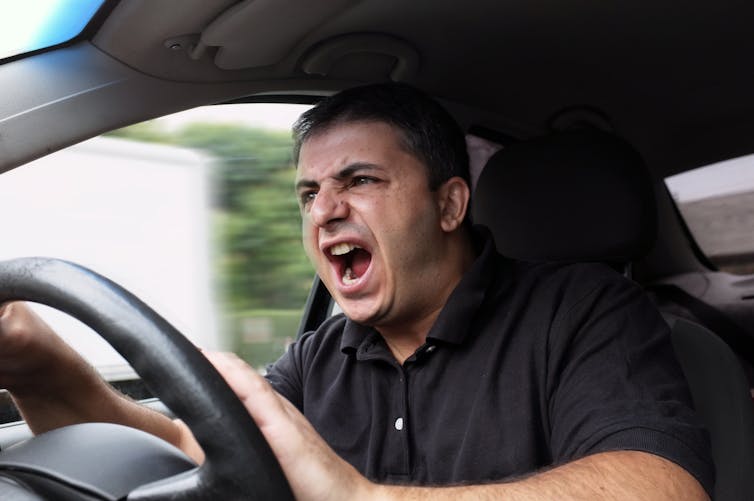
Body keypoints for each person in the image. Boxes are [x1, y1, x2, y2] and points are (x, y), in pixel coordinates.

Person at [0, 83, 712, 500]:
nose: (324, 210)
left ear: (449, 205)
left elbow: (662, 484)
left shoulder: (583, 309)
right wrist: (44, 367)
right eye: (310, 192)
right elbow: (194, 447)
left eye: (360, 180)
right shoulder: (319, 356)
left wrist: (362, 496)